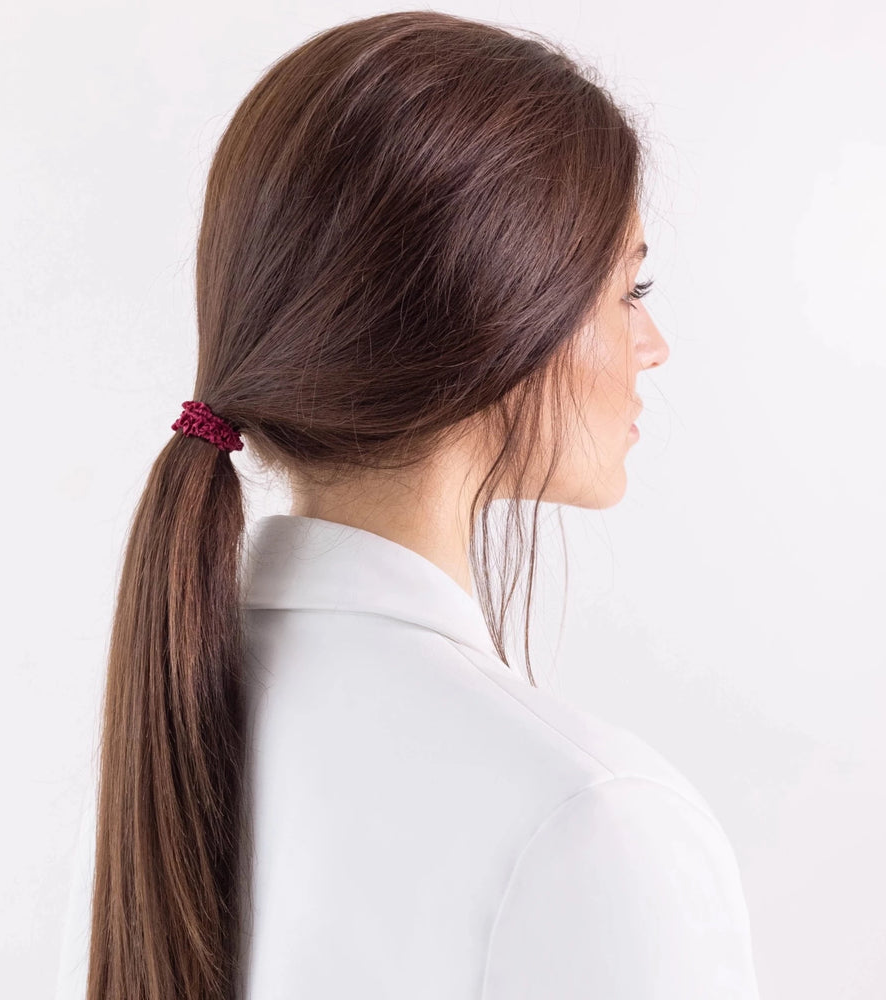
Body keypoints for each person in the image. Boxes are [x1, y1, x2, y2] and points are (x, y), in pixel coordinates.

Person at [56, 10, 761, 999]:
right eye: (626, 289)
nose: (653, 346)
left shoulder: (160, 762)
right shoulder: (593, 821)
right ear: (496, 317)